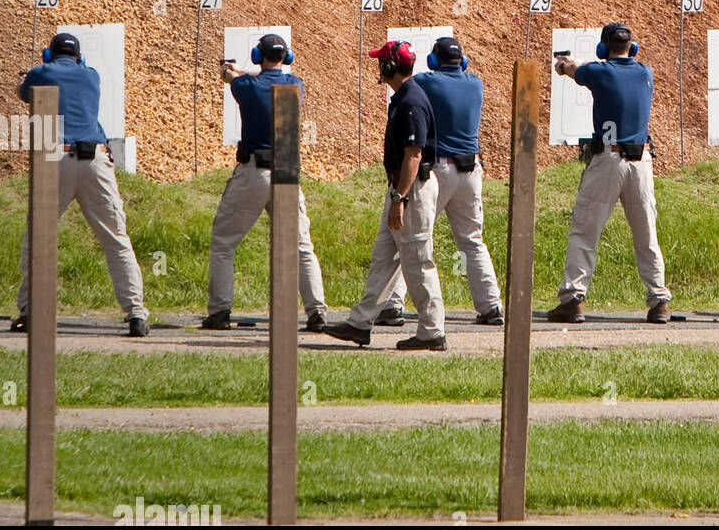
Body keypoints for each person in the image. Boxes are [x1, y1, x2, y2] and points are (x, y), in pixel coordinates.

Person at [13, 32, 149, 337]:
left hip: (54, 159)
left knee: (37, 239)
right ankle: (136, 313)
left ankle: (30, 311)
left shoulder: (40, 73)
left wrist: (28, 77)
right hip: (95, 159)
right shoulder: (92, 75)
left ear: (50, 55)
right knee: (116, 239)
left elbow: (24, 93)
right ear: (80, 57)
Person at [372, 36, 503, 327]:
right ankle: (491, 305)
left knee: (412, 236)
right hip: (471, 170)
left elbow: (407, 83)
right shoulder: (476, 83)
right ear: (463, 61)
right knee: (472, 240)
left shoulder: (427, 83)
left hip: (440, 168)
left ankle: (392, 303)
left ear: (433, 61)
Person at [326, 40, 447, 350]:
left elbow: (414, 155)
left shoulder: (411, 102)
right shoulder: (404, 97)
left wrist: (400, 199)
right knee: (383, 258)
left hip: (412, 190)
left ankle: (432, 331)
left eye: (382, 62)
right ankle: (360, 323)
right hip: (402, 188)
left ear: (391, 67)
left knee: (418, 261)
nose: (379, 67)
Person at [548, 22, 671, 324]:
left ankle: (573, 298)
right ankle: (659, 301)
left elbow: (574, 70)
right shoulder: (645, 73)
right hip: (641, 161)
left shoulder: (599, 72)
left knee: (584, 230)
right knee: (647, 234)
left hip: (608, 159)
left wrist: (563, 63)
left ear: (603, 50)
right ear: (633, 48)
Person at [203, 32, 327, 331]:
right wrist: (245, 70)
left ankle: (219, 311)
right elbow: (266, 76)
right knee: (301, 247)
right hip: (287, 171)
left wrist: (230, 68)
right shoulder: (295, 84)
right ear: (287, 57)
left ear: (258, 56)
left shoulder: (245, 86)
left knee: (223, 242)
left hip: (254, 173)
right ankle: (317, 312)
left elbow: (230, 77)